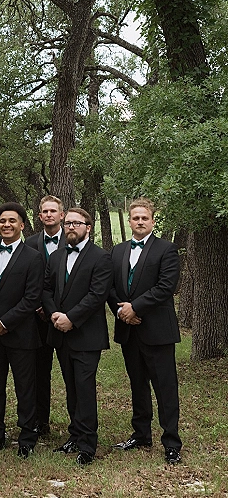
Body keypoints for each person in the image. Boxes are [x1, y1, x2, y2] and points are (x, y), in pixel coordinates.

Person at [109, 198, 182, 464]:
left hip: (157, 330)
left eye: (144, 218)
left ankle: (171, 442)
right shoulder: (117, 251)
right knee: (137, 384)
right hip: (129, 330)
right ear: (129, 221)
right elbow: (110, 287)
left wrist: (136, 308)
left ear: (152, 221)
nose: (140, 222)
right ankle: (141, 434)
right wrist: (121, 311)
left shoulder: (166, 249)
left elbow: (166, 287)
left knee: (165, 387)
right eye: (135, 218)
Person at [43, 207, 112, 466]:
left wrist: (71, 318)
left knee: (84, 389)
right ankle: (75, 434)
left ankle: (88, 445)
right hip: (60, 332)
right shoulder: (57, 256)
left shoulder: (101, 258)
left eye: (77, 223)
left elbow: (97, 295)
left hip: (86, 335)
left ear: (88, 227)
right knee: (71, 388)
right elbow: (46, 289)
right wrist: (54, 315)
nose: (71, 227)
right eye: (68, 223)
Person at [0, 202, 44, 458]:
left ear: (22, 225)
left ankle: (27, 436)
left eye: (12, 221)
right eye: (2, 220)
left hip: (20, 333)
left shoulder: (34, 257)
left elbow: (32, 298)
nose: (6, 225)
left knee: (24, 386)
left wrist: (4, 322)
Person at [25, 194, 65, 436]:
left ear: (61, 214)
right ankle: (41, 421)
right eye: (45, 212)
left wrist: (55, 310)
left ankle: (78, 424)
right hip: (36, 317)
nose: (49, 215)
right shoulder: (29, 243)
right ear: (39, 216)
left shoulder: (71, 241)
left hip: (63, 317)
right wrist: (39, 306)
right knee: (39, 372)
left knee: (72, 372)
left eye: (53, 211)